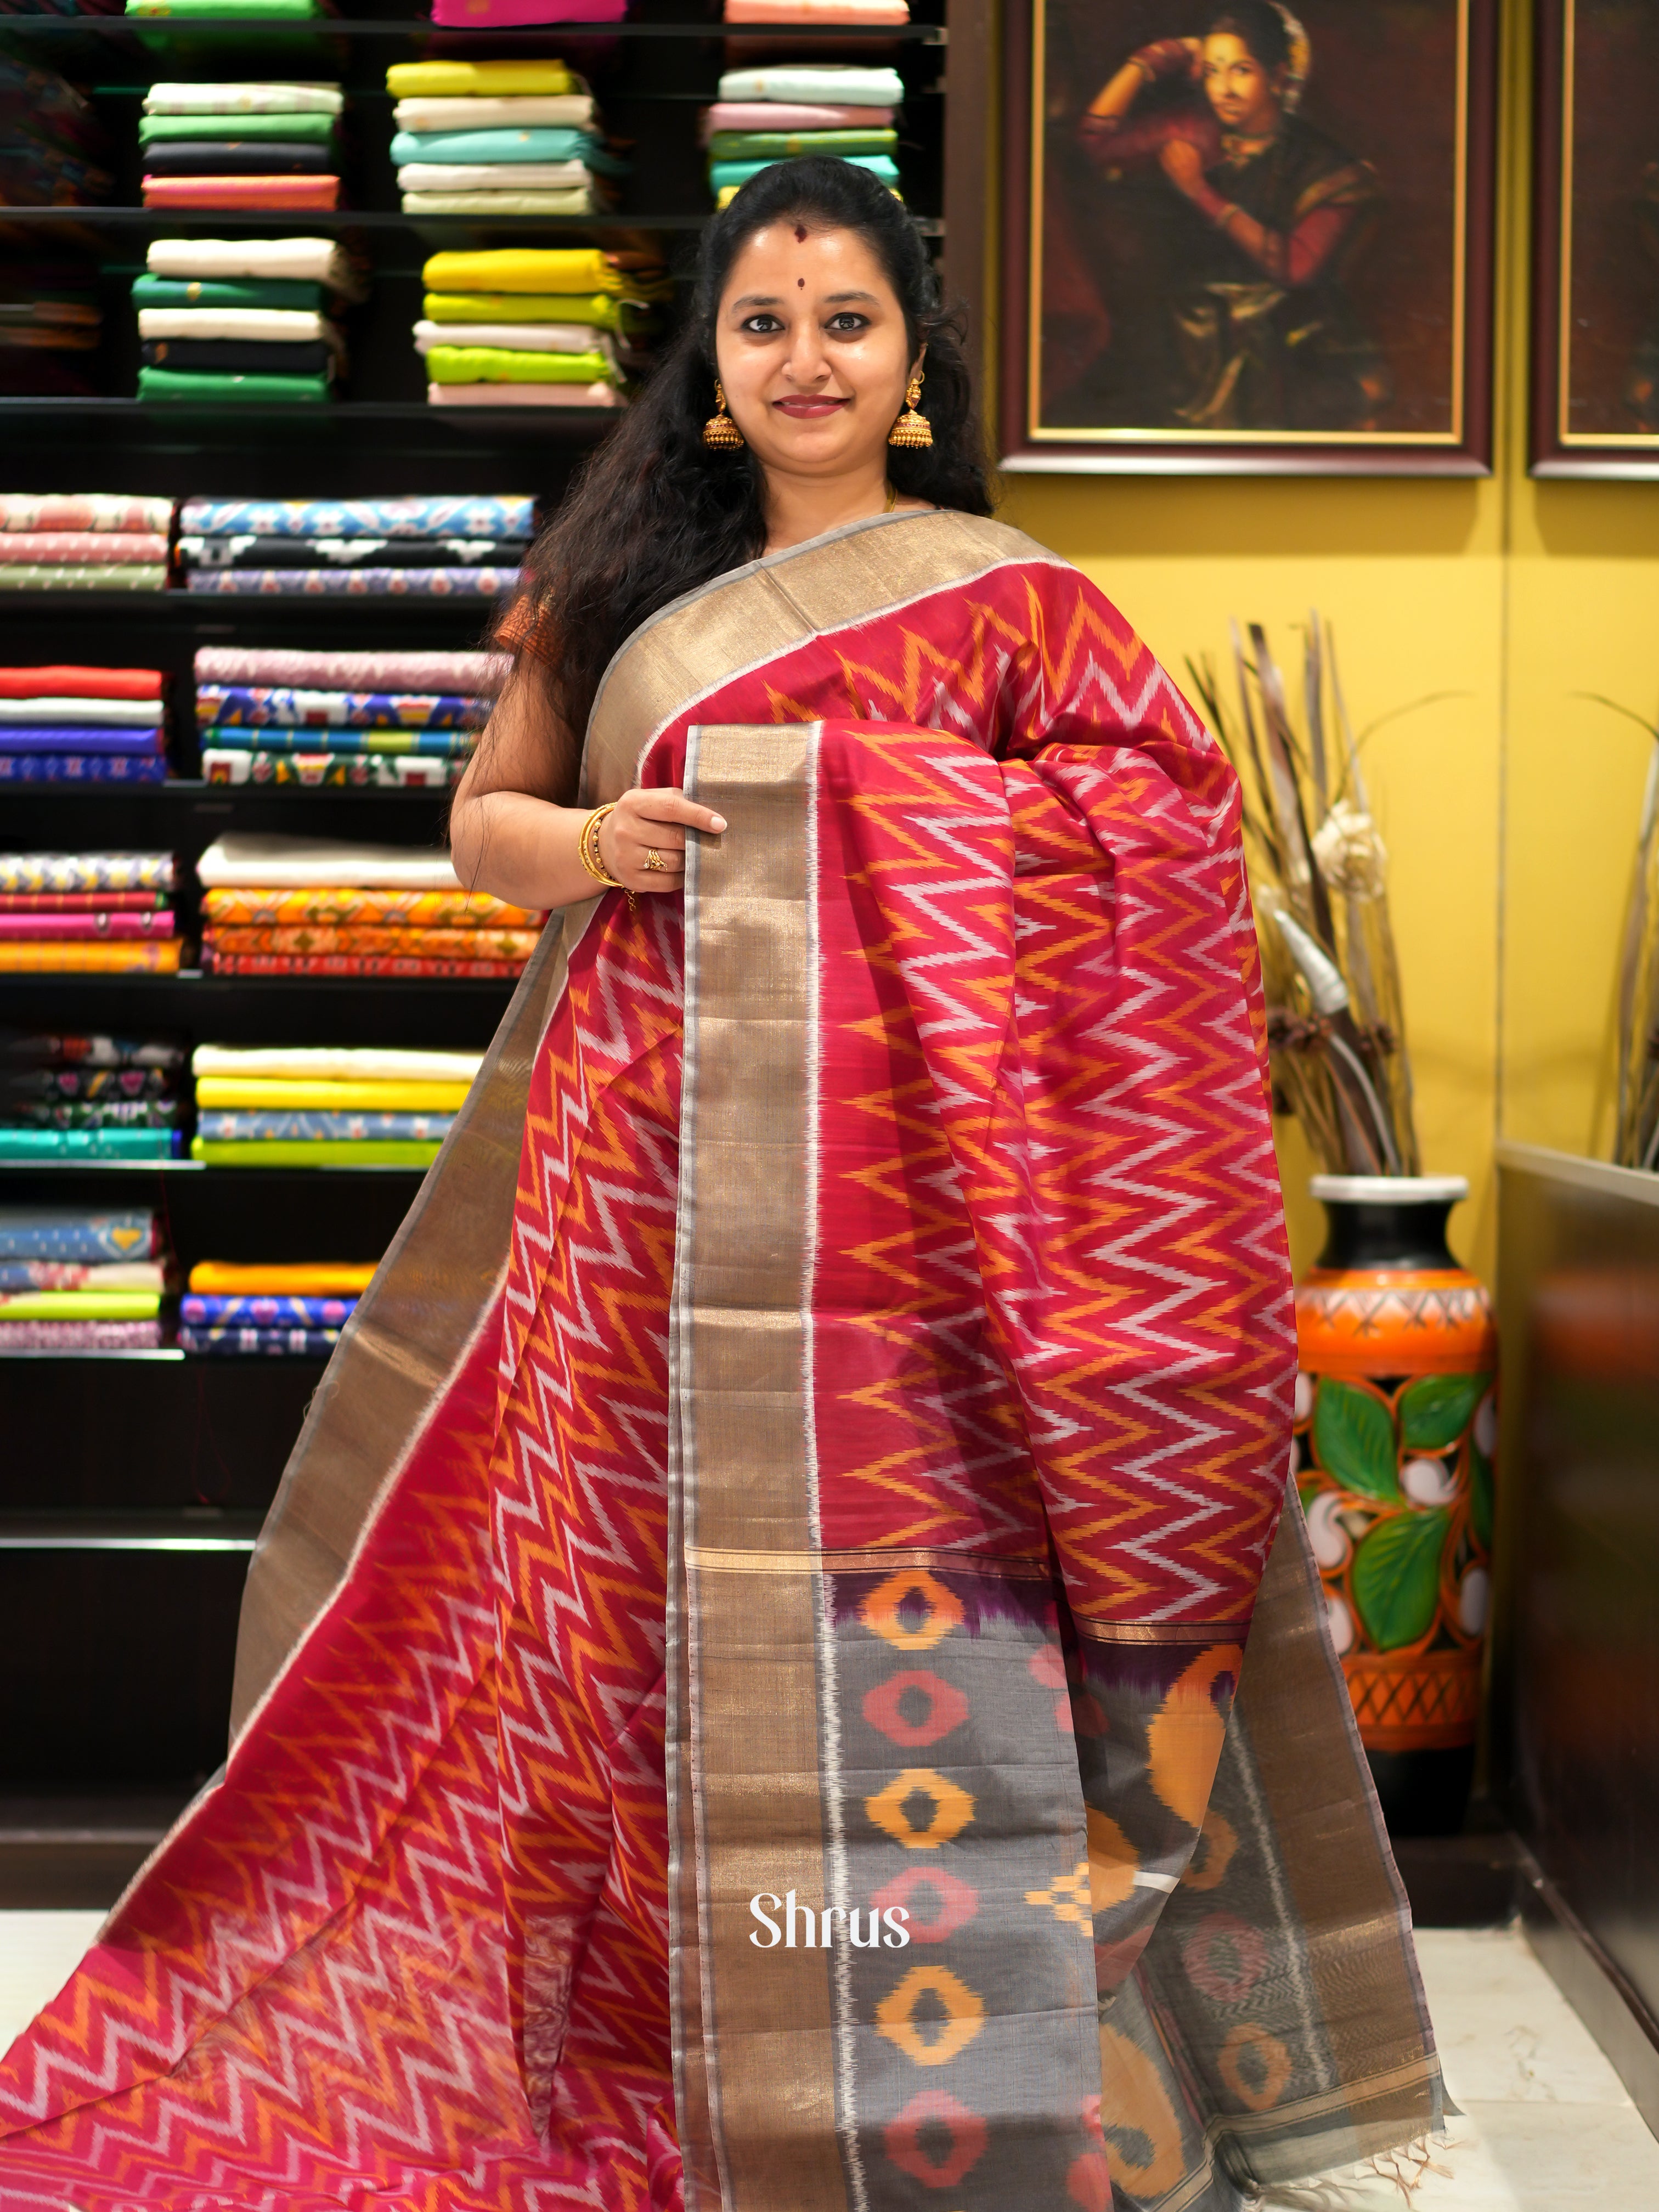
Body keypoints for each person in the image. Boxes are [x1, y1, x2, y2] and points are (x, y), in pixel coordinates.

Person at [0, 157, 1442, 2210]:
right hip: (639, 1190)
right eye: (759, 323)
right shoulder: (617, 597)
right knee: (624, 1618)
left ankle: (916, 2042)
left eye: (844, 319)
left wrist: (856, 810)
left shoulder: (1016, 597)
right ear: (707, 365)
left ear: (909, 361)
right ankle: (660, 2026)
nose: (801, 359)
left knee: (918, 1613)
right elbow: (486, 819)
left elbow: (1157, 835)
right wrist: (596, 850)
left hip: (922, 1240)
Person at [1064, 0, 1388, 432]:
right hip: (1185, 337)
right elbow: (1092, 142)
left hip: (1285, 342)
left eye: (1242, 70)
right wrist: (1152, 60)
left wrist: (1200, 191)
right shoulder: (1194, 129)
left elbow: (1294, 265)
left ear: (1276, 77)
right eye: (1213, 71)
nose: (1224, 89)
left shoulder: (1325, 166)